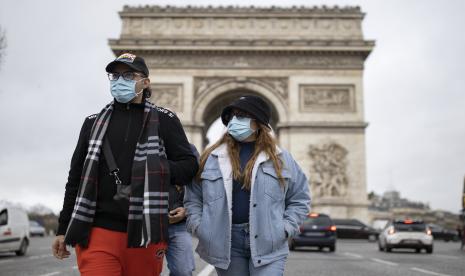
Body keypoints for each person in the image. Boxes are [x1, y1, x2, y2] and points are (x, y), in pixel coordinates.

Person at [52, 53, 198, 276]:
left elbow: (189, 166)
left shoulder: (166, 120)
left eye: (129, 75)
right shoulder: (92, 123)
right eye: (115, 75)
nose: (120, 81)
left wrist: (157, 169)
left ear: (145, 82)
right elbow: (75, 179)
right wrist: (63, 229)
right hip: (97, 231)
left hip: (145, 232)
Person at [184, 95, 311, 276]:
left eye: (242, 116)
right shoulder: (211, 158)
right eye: (232, 116)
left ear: (259, 123)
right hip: (227, 243)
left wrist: (285, 229)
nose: (235, 121)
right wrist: (200, 227)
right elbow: (193, 197)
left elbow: (300, 197)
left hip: (270, 242)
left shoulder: (282, 159)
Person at [165, 144, 199, 276]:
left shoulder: (188, 150)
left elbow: (199, 184)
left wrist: (186, 210)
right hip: (148, 224)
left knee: (184, 271)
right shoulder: (140, 145)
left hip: (178, 225)